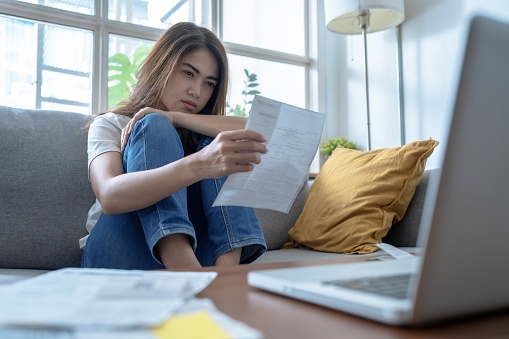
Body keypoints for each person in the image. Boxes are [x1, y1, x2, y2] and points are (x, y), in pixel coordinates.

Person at [81, 22, 268, 270]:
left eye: (209, 83)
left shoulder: (202, 133)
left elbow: (259, 133)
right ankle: (187, 269)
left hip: (200, 257)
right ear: (162, 66)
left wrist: (176, 117)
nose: (197, 92)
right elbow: (109, 196)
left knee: (223, 141)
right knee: (154, 125)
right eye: (189, 73)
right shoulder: (111, 123)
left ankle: (226, 276)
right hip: (118, 253)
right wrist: (199, 165)